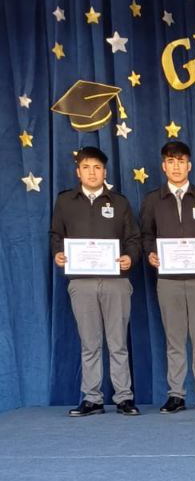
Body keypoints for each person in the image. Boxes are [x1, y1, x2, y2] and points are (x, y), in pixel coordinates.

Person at [50, 145, 141, 417]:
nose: (92, 172)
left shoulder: (120, 203)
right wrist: (58, 253)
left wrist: (130, 258)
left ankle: (124, 398)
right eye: (86, 167)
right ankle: (92, 399)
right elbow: (55, 235)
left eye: (97, 167)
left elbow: (133, 239)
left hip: (116, 282)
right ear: (78, 172)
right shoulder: (65, 201)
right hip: (82, 283)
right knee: (90, 344)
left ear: (105, 172)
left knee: (118, 343)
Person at [140, 140, 195, 413]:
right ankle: (176, 395)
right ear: (163, 167)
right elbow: (146, 235)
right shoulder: (153, 200)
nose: (176, 167)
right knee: (174, 340)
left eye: (181, 161)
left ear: (189, 166)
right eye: (171, 162)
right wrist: (151, 253)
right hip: (168, 280)